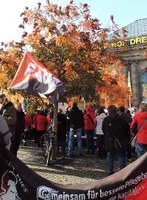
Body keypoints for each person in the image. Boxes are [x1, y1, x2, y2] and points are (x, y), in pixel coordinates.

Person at [102, 105, 130, 175]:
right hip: (120, 140)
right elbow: (127, 130)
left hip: (109, 140)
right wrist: (126, 139)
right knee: (121, 155)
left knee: (110, 155)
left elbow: (103, 130)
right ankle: (122, 171)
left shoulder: (106, 120)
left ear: (108, 111)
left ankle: (109, 170)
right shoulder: (122, 120)